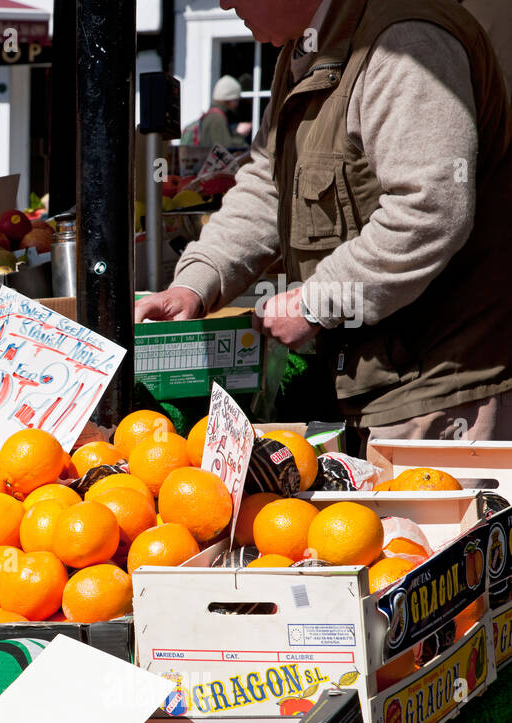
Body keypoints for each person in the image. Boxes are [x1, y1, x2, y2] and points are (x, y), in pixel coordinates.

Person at [137, 0, 512, 443]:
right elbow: (268, 181)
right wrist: (196, 283)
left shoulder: (404, 42)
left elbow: (428, 210)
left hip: (438, 390)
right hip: (378, 380)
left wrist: (315, 302)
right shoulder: (307, 48)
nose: (223, 2)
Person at [181, 75, 252, 149]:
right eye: (236, 99)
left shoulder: (213, 115)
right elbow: (225, 148)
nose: (237, 104)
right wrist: (239, 135)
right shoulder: (217, 118)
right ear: (228, 99)